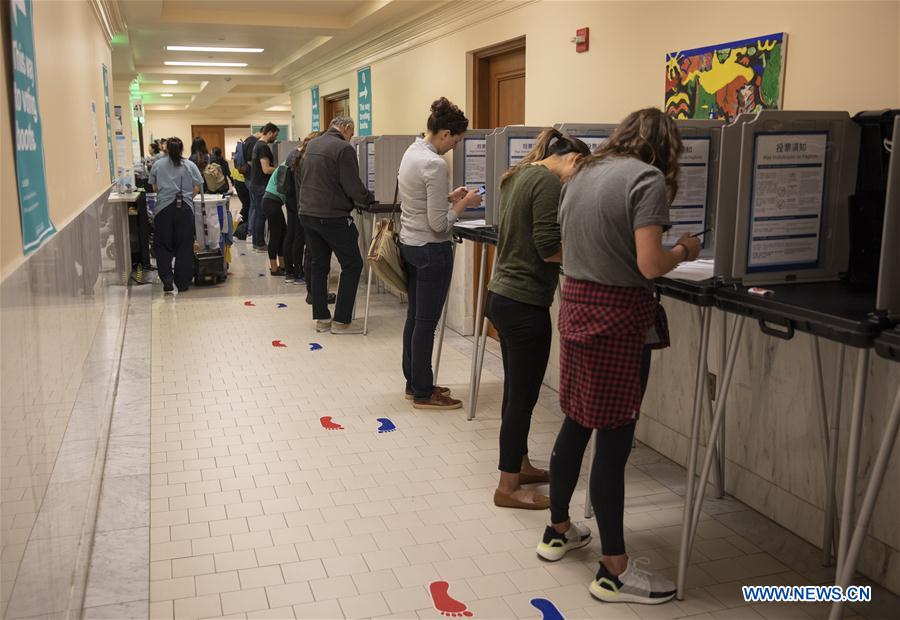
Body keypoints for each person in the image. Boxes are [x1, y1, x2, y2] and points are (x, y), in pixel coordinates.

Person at [535, 108, 701, 606]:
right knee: (613, 441)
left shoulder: (582, 174)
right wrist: (685, 250)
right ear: (665, 149)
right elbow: (651, 264)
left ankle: (558, 529)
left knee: (576, 423)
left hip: (578, 308)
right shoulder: (646, 179)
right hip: (618, 320)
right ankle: (614, 571)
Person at [486, 128, 590, 510]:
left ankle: (519, 463)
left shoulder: (520, 175)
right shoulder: (547, 181)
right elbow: (548, 248)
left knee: (516, 392)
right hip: (524, 301)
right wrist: (593, 253)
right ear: (574, 161)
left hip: (503, 295)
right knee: (522, 398)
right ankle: (508, 487)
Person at [398, 98, 482, 409]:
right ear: (445, 133)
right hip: (432, 250)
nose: (455, 148)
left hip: (410, 244)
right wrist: (464, 204)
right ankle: (423, 391)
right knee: (427, 323)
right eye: (457, 141)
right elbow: (439, 223)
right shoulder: (434, 163)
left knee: (415, 319)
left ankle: (414, 382)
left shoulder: (413, 151)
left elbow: (417, 197)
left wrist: (448, 196)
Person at [298, 116, 374, 334]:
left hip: (308, 214)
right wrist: (368, 198)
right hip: (332, 216)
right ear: (346, 128)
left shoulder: (313, 144)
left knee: (319, 265)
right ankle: (341, 320)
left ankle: (322, 319)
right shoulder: (343, 149)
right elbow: (352, 185)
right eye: (351, 133)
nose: (351, 137)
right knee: (352, 264)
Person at [148, 137, 204, 294]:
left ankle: (167, 278)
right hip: (184, 210)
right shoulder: (190, 165)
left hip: (163, 211)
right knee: (184, 246)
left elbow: (154, 187)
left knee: (163, 245)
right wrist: (186, 198)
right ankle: (182, 282)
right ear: (181, 149)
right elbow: (197, 187)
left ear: (166, 149)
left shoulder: (157, 165)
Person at [284, 131, 324, 284]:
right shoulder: (304, 157)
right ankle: (298, 271)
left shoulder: (294, 154)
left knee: (293, 235)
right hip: (300, 202)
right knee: (300, 238)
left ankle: (291, 271)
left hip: (292, 200)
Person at [247, 123, 280, 252]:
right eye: (275, 135)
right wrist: (280, 169)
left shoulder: (257, 144)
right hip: (261, 185)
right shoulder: (263, 147)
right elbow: (266, 169)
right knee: (261, 215)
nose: (275, 138)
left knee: (257, 214)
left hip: (255, 183)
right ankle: (260, 243)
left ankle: (257, 242)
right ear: (270, 133)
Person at [261, 158, 288, 275]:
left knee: (282, 233)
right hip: (272, 202)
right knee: (276, 235)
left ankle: (282, 265)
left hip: (271, 201)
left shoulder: (285, 165)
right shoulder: (287, 167)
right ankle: (274, 268)